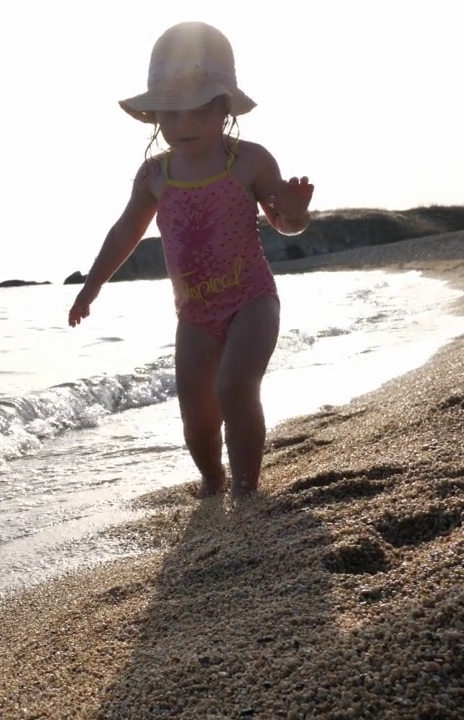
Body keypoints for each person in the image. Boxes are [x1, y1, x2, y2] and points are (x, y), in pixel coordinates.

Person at [67, 21, 314, 500]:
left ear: (225, 107)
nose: (185, 124)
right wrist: (91, 286)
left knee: (235, 387)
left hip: (252, 299)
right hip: (195, 314)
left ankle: (245, 488)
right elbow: (125, 233)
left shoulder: (248, 161)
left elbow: (284, 222)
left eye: (200, 110)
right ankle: (213, 477)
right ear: (156, 115)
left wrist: (298, 212)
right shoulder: (155, 175)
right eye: (172, 113)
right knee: (197, 416)